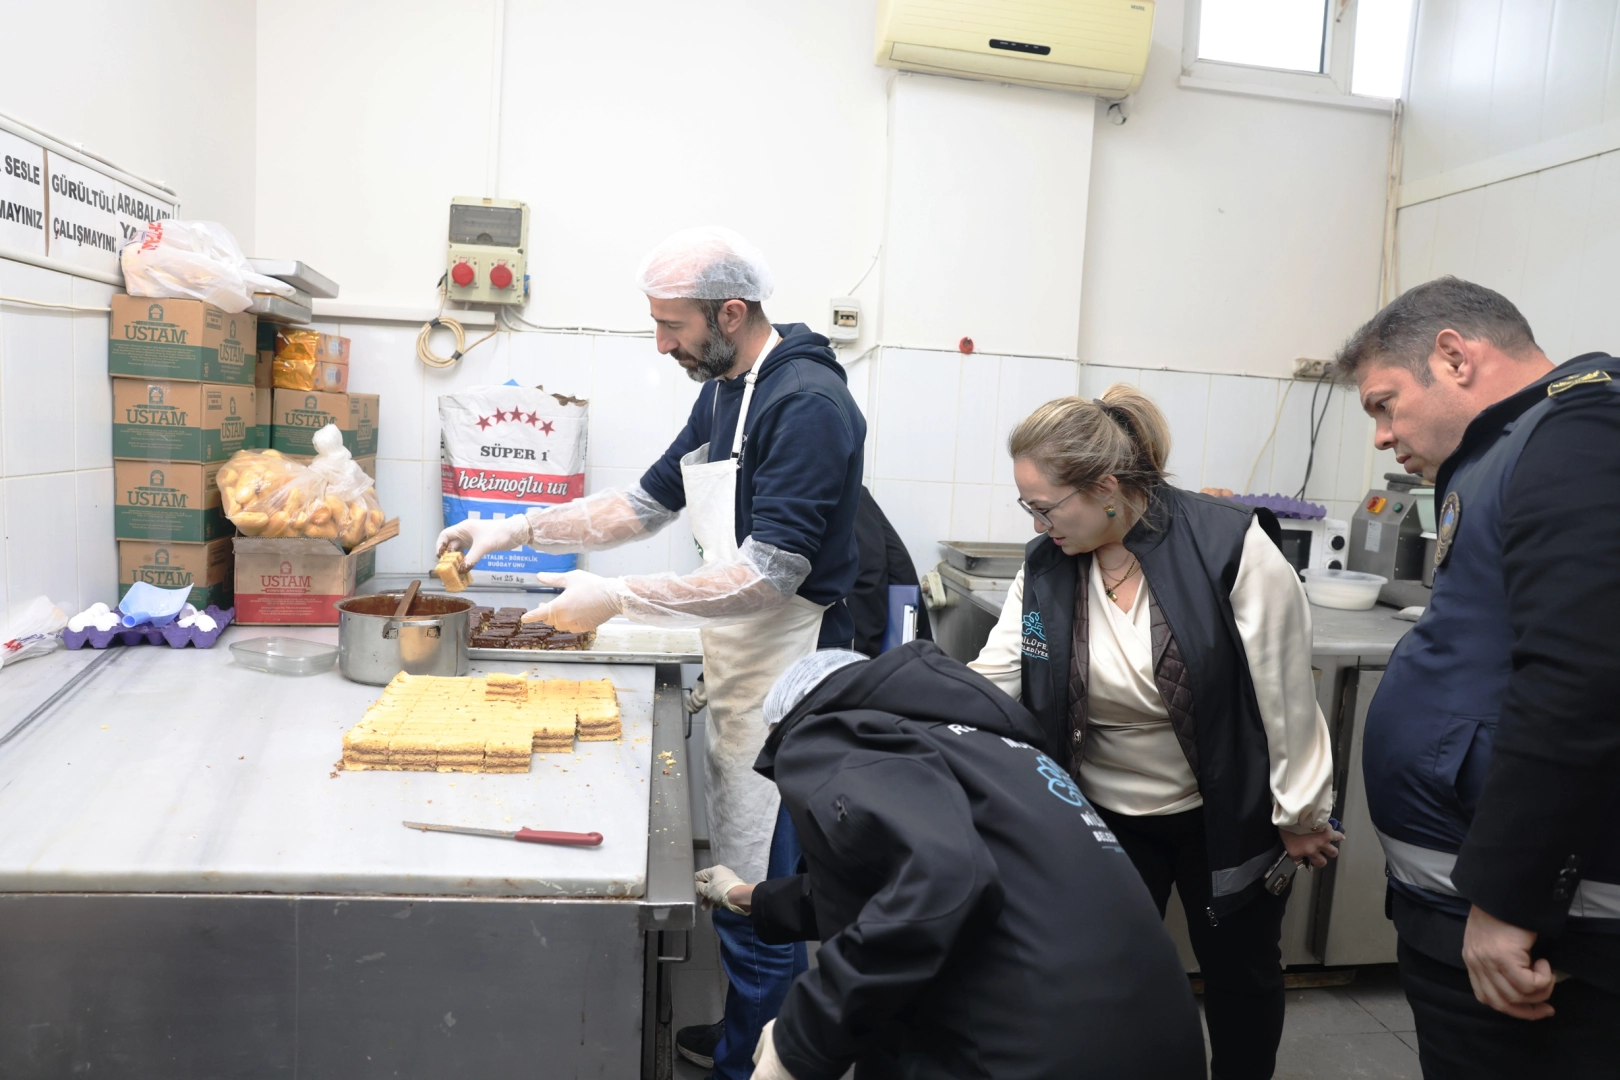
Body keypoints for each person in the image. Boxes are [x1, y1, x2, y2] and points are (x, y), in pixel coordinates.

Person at [437, 226, 866, 1080]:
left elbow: (770, 576)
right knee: (741, 879)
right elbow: (644, 504)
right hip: (743, 655)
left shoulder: (806, 404)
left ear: (731, 313)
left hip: (792, 675)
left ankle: (759, 1065)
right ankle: (744, 1039)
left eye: (673, 325)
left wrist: (619, 597)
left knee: (762, 896)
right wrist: (513, 528)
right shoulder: (727, 391)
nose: (662, 344)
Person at [967, 386, 1341, 1080]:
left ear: (1106, 488)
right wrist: (911, 710)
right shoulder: (1048, 566)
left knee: (1240, 973)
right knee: (1110, 975)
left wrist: (1302, 814)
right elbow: (998, 674)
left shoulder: (1228, 546)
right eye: (1029, 507)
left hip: (1222, 811)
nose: (1038, 523)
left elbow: (1286, 693)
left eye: (1046, 506)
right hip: (1105, 814)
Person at [1335, 276, 1620, 1079]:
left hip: (1538, 928)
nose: (1383, 437)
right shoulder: (1513, 445)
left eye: (1385, 404)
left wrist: (1506, 900)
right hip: (1470, 907)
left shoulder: (1581, 434)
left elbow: (1581, 676)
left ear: (1454, 357)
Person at [694, 643, 1207, 1080]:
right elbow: (895, 879)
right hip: (1161, 1032)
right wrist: (751, 898)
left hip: (1039, 1049)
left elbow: (943, 875)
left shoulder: (825, 734)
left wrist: (801, 1036)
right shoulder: (989, 746)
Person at [847, 486, 932, 657]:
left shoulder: (846, 492)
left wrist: (859, 655)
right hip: (883, 622)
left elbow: (869, 572)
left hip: (891, 628)